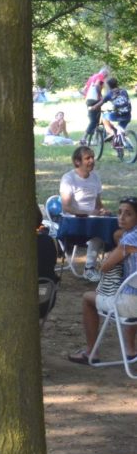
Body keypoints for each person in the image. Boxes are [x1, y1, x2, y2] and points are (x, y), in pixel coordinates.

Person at [68, 197, 137, 365]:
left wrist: (106, 259)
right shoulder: (128, 237)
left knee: (87, 298)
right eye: (119, 212)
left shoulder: (129, 241)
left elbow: (104, 267)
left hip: (131, 303)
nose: (121, 217)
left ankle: (91, 352)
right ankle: (130, 350)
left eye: (128, 214)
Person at [60, 145, 110, 280]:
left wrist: (103, 210)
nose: (92, 161)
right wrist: (88, 212)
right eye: (87, 158)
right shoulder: (69, 178)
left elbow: (98, 203)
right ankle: (89, 268)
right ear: (77, 161)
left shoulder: (95, 177)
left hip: (93, 219)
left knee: (115, 228)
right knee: (99, 231)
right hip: (74, 221)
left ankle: (114, 267)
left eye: (92, 157)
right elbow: (66, 207)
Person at [91, 77, 131, 149]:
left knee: (104, 117)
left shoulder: (110, 94)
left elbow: (101, 102)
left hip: (119, 115)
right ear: (116, 84)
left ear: (109, 86)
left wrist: (93, 107)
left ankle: (111, 133)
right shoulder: (124, 91)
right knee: (120, 130)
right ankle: (120, 144)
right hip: (128, 115)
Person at [82, 66, 109, 145]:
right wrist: (100, 96)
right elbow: (97, 85)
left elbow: (84, 90)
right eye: (106, 75)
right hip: (94, 100)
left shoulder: (92, 77)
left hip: (88, 100)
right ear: (104, 73)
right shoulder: (100, 76)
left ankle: (95, 139)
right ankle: (84, 138)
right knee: (94, 121)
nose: (105, 78)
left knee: (96, 120)